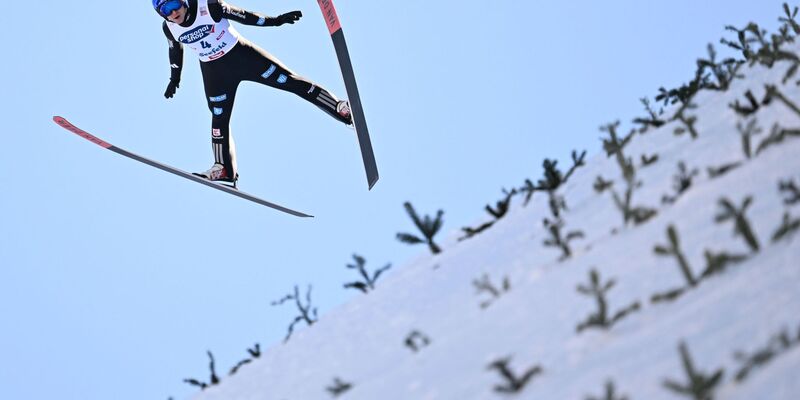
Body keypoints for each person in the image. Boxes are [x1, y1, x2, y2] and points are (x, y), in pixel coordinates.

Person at [152, 0, 353, 185]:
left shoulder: (209, 5)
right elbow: (175, 51)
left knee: (290, 82)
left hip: (243, 58)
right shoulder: (169, 28)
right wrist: (174, 79)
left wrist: (275, 21)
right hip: (215, 74)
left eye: (173, 4)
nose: (173, 12)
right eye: (165, 10)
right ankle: (224, 168)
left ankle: (339, 108)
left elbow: (245, 15)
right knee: (218, 119)